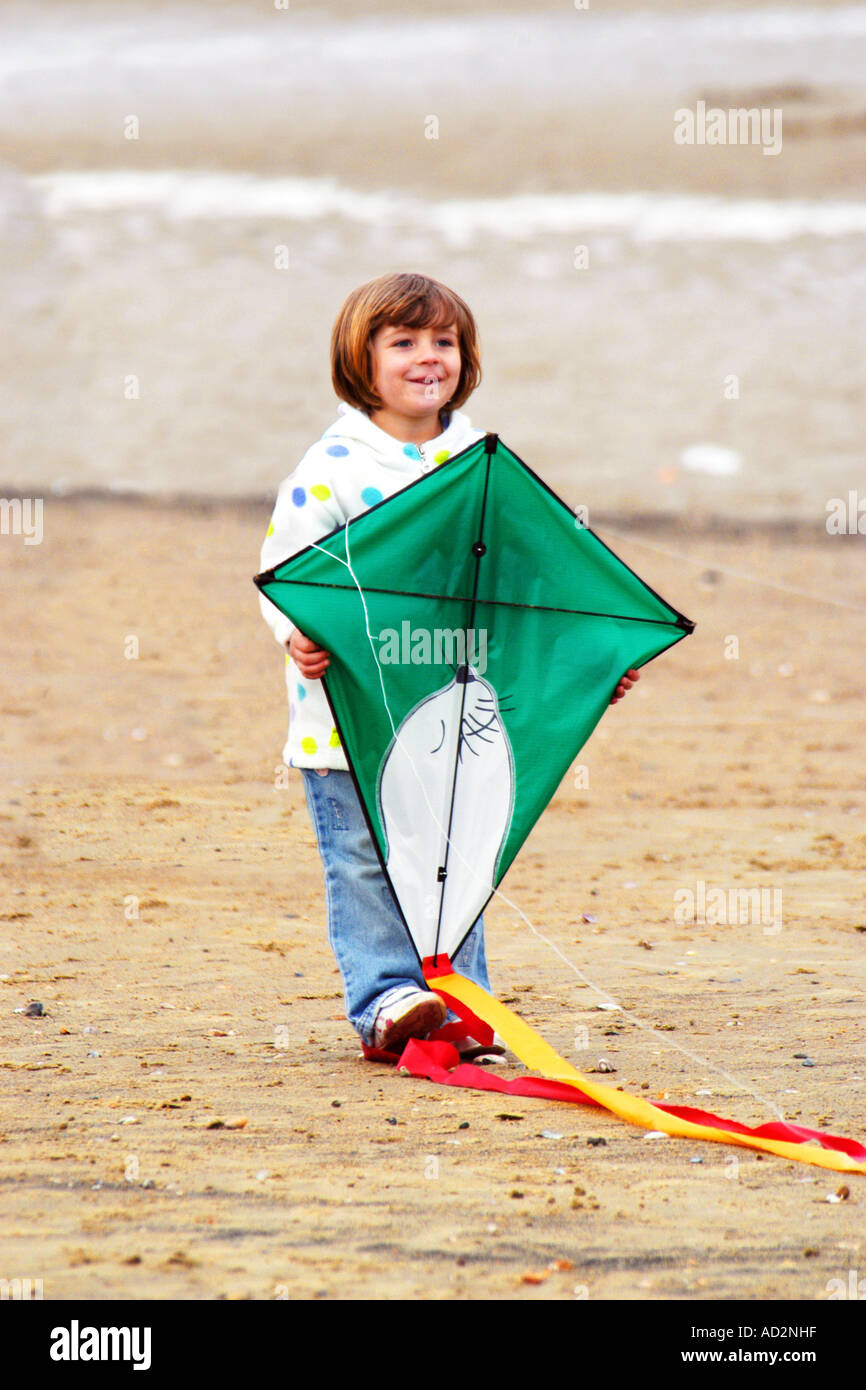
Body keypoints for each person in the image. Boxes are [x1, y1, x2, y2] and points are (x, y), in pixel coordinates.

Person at [258, 271, 639, 1057]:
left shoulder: (479, 463)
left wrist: (593, 659)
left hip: (453, 707)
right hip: (349, 721)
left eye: (445, 342)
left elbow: (531, 577)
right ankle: (385, 999)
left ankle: (459, 1001)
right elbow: (287, 571)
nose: (428, 357)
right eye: (403, 343)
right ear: (359, 363)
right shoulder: (331, 467)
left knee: (455, 860)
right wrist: (295, 633)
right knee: (367, 860)